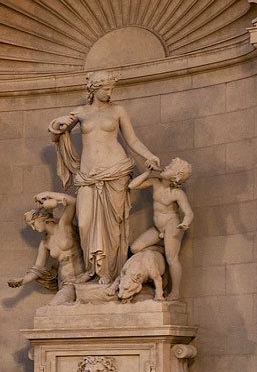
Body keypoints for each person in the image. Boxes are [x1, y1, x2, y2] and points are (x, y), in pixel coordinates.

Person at [50, 72, 160, 283]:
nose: (109, 93)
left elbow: (132, 140)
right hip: (87, 175)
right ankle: (92, 269)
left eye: (111, 89)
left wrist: (149, 156)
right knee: (84, 222)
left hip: (115, 171)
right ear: (93, 89)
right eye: (105, 89)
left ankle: (110, 273)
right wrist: (57, 125)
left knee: (113, 225)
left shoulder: (118, 110)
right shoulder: (81, 113)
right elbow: (57, 135)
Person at [129, 158, 195, 299]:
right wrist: (148, 173)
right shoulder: (156, 183)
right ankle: (161, 250)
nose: (166, 167)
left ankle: (175, 291)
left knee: (172, 259)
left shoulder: (177, 193)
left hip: (172, 225)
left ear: (177, 175)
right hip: (157, 227)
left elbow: (189, 213)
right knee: (135, 248)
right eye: (168, 165)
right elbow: (132, 185)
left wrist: (185, 222)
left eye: (170, 168)